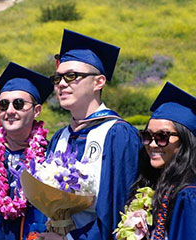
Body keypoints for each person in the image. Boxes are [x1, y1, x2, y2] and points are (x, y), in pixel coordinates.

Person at [41, 29, 141, 240]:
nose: (61, 83)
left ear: (99, 82)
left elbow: (116, 213)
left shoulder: (117, 134)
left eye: (72, 76)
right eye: (58, 77)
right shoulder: (60, 138)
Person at [0, 62, 54, 240]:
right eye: (3, 104)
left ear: (37, 111)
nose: (10, 111)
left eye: (18, 104)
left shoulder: (51, 158)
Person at [125, 82, 196, 240]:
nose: (152, 144)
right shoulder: (154, 185)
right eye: (147, 136)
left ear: (184, 141)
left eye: (162, 137)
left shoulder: (189, 194)